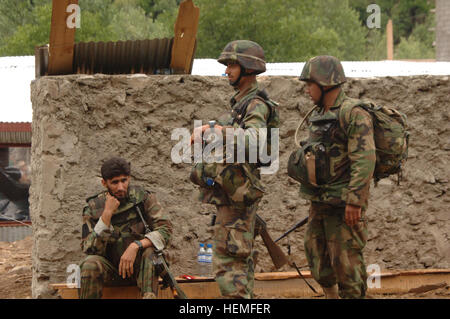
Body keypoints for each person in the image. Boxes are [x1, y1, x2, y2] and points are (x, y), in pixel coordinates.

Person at [189, 40, 279, 299]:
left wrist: (212, 130)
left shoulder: (255, 104)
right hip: (231, 197)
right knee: (235, 263)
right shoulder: (242, 104)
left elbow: (255, 140)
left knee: (230, 267)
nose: (226, 70)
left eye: (231, 64)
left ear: (248, 68)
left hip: (238, 202)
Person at [297, 56, 376, 299]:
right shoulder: (319, 114)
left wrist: (355, 201)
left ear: (326, 84)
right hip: (320, 202)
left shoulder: (353, 114)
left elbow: (365, 158)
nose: (307, 89)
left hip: (344, 205)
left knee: (347, 266)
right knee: (317, 258)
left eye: (310, 84)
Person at [79, 157, 173, 299]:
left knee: (151, 253)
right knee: (89, 264)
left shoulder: (143, 198)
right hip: (111, 270)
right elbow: (89, 249)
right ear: (104, 183)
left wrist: (136, 246)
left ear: (129, 178)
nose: (121, 187)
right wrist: (106, 215)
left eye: (124, 180)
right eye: (115, 182)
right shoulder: (93, 208)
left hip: (142, 269)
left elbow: (166, 230)